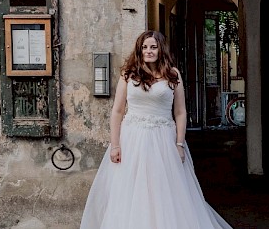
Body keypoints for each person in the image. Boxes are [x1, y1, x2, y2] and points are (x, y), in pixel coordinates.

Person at [80, 30, 232, 229]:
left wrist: (179, 143)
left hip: (163, 139)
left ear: (161, 49)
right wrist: (115, 145)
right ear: (139, 50)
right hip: (132, 139)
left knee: (164, 190)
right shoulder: (128, 74)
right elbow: (117, 111)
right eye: (144, 47)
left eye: (153, 47)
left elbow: (180, 112)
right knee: (130, 191)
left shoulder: (173, 74)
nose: (148, 51)